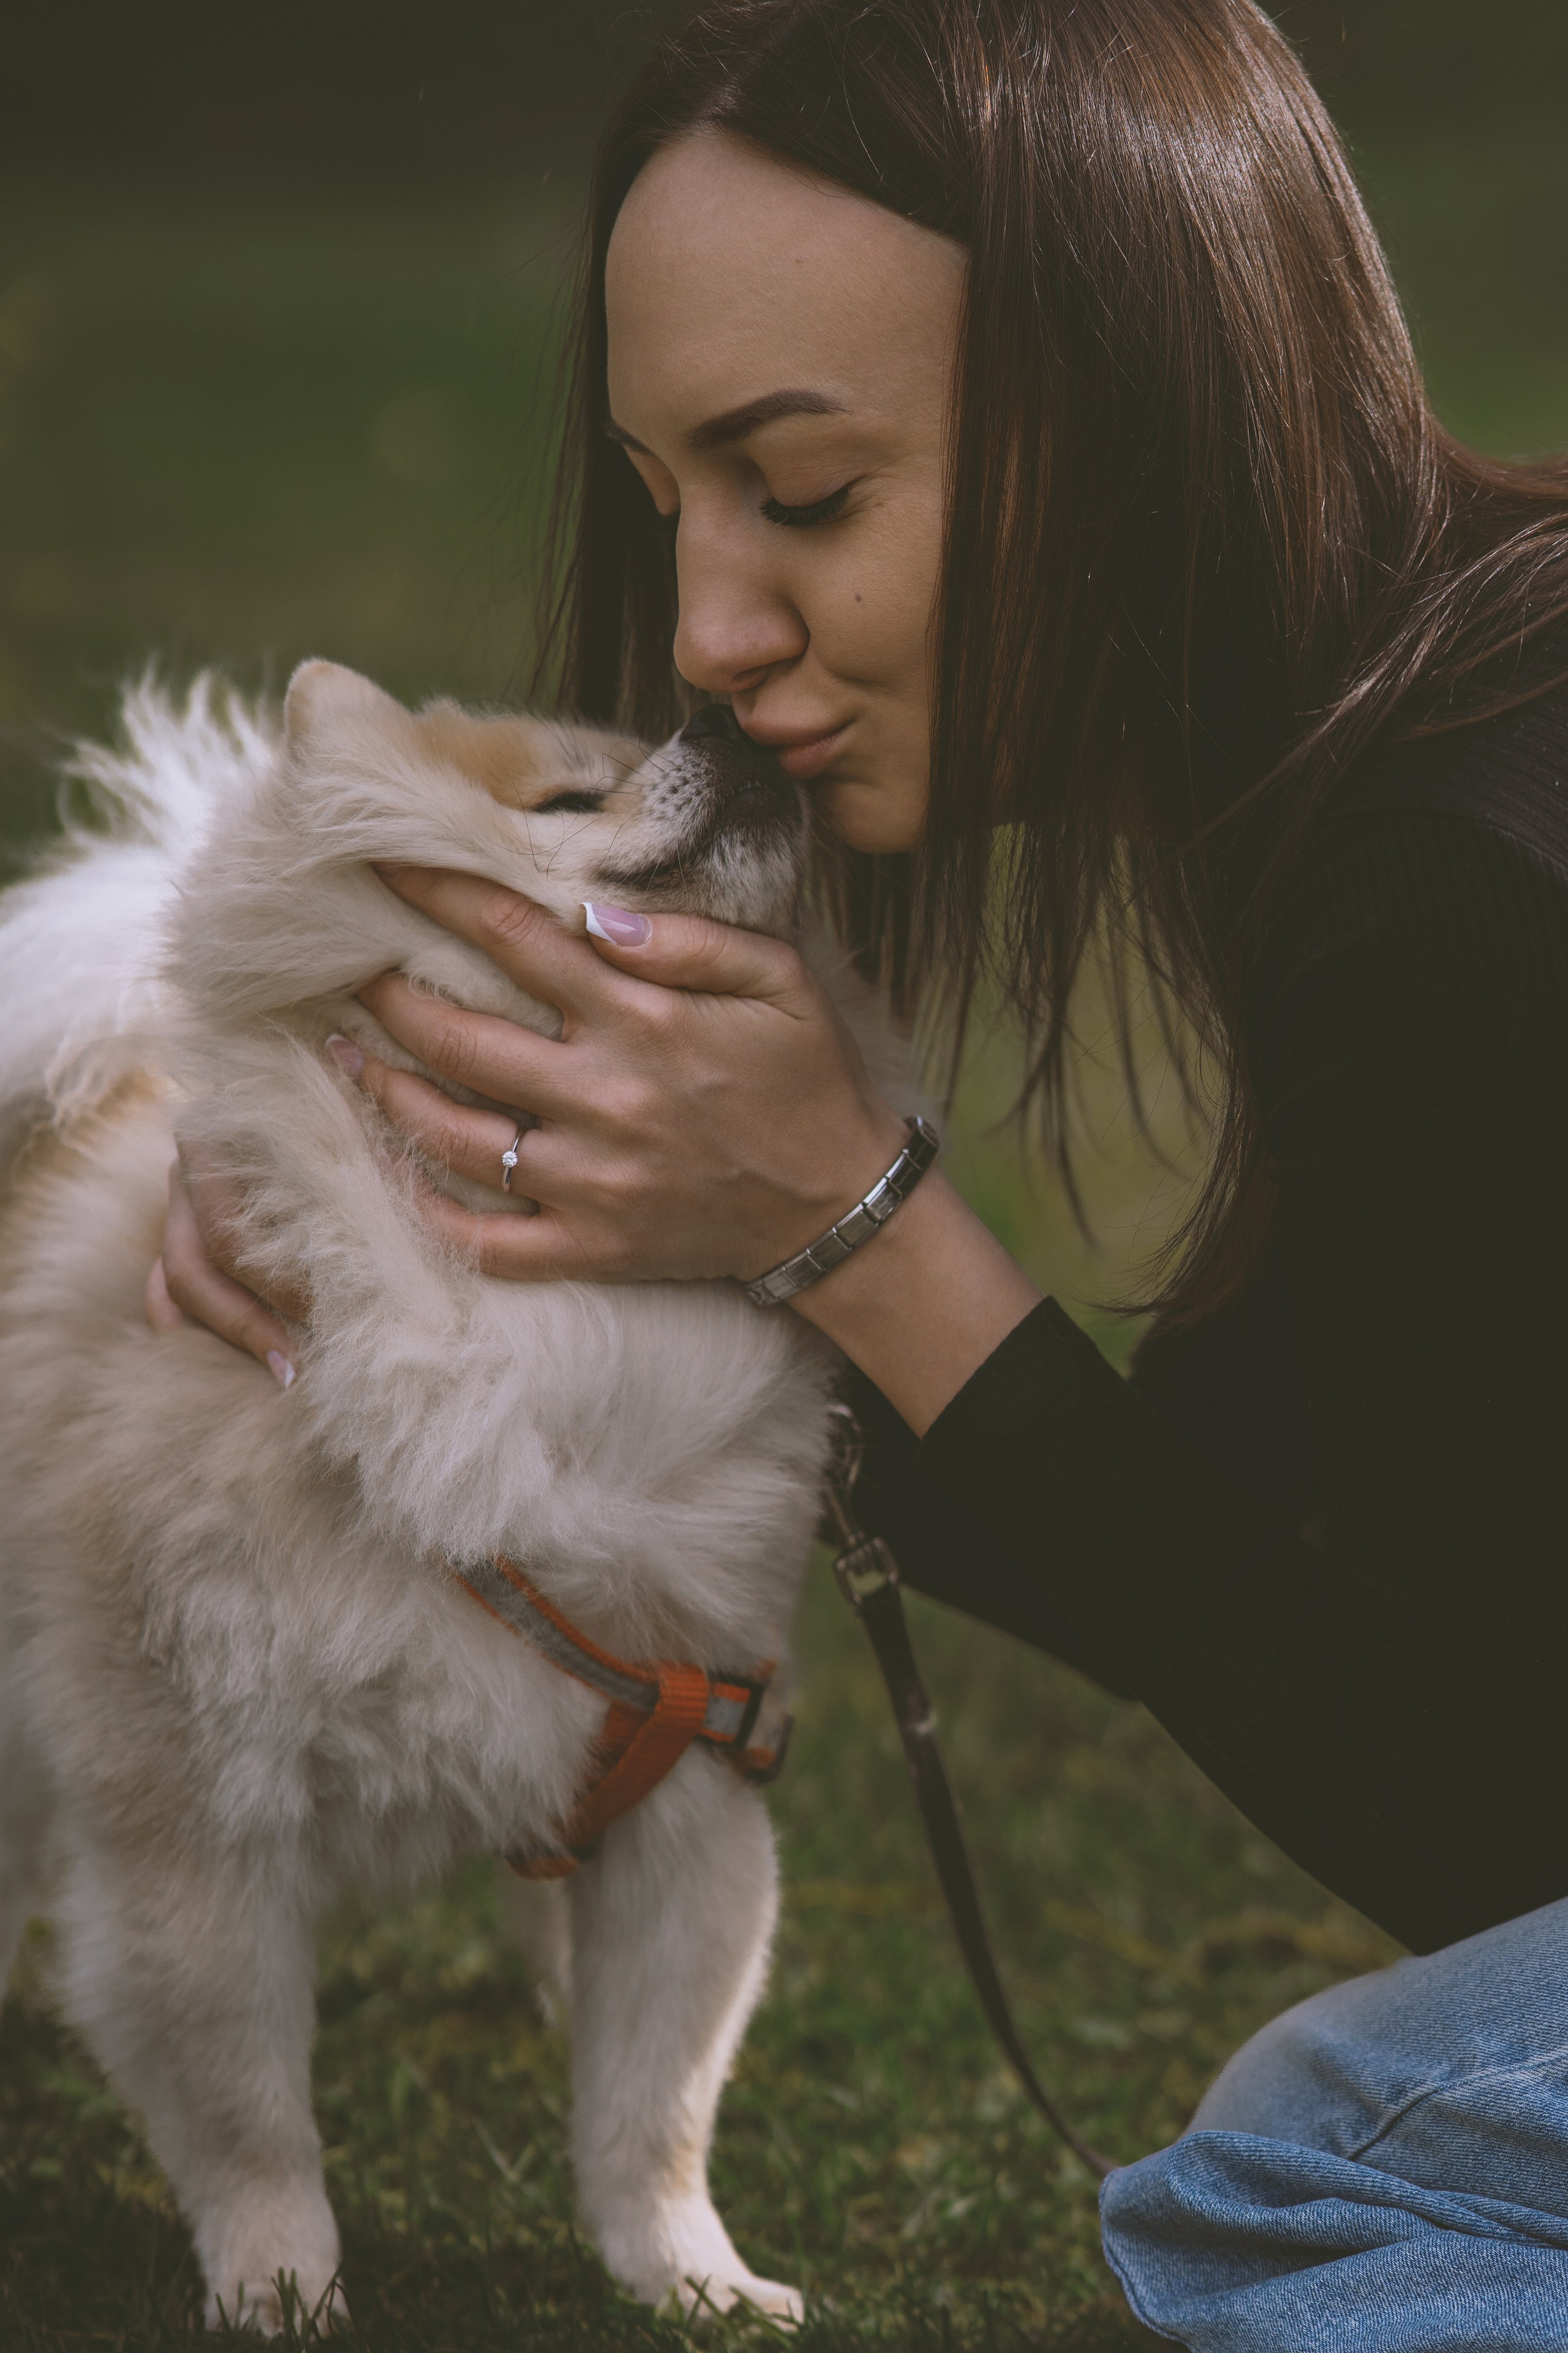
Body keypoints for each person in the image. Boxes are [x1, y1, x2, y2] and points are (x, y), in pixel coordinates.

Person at [145, 1, 1568, 2343]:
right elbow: (1235, 1521)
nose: (705, 626)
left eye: (802, 492)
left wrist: (854, 1226)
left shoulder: (1458, 902)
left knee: (1301, 2172)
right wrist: (442, 1229)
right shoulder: (1418, 755)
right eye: (667, 498)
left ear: (1137, 424)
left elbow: (1475, 1817)